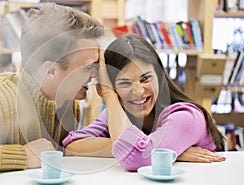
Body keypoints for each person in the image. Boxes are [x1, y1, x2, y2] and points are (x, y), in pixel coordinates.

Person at [0, 3, 104, 175]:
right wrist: (22, 155)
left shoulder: (67, 103)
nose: (97, 74)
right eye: (88, 67)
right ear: (51, 70)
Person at [63, 34, 226, 171]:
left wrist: (147, 149)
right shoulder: (119, 115)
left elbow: (139, 158)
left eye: (145, 79)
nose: (139, 91)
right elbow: (72, 146)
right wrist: (163, 151)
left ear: (160, 77)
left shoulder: (187, 117)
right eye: (125, 83)